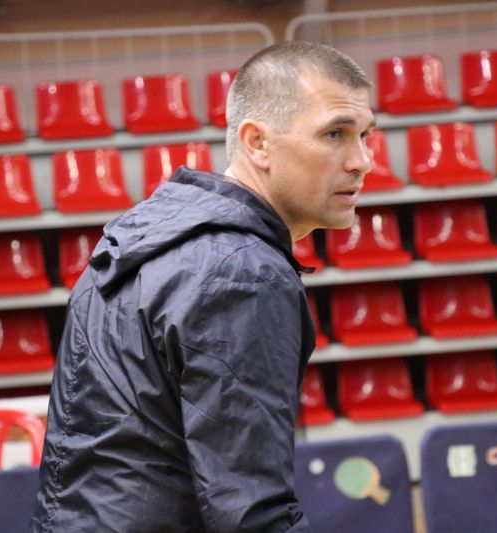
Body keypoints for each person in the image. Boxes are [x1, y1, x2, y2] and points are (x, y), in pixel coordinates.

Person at [31, 40, 374, 532]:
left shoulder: (148, 234)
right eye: (335, 134)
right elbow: (251, 510)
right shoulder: (242, 274)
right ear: (257, 143)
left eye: (365, 135)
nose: (362, 161)